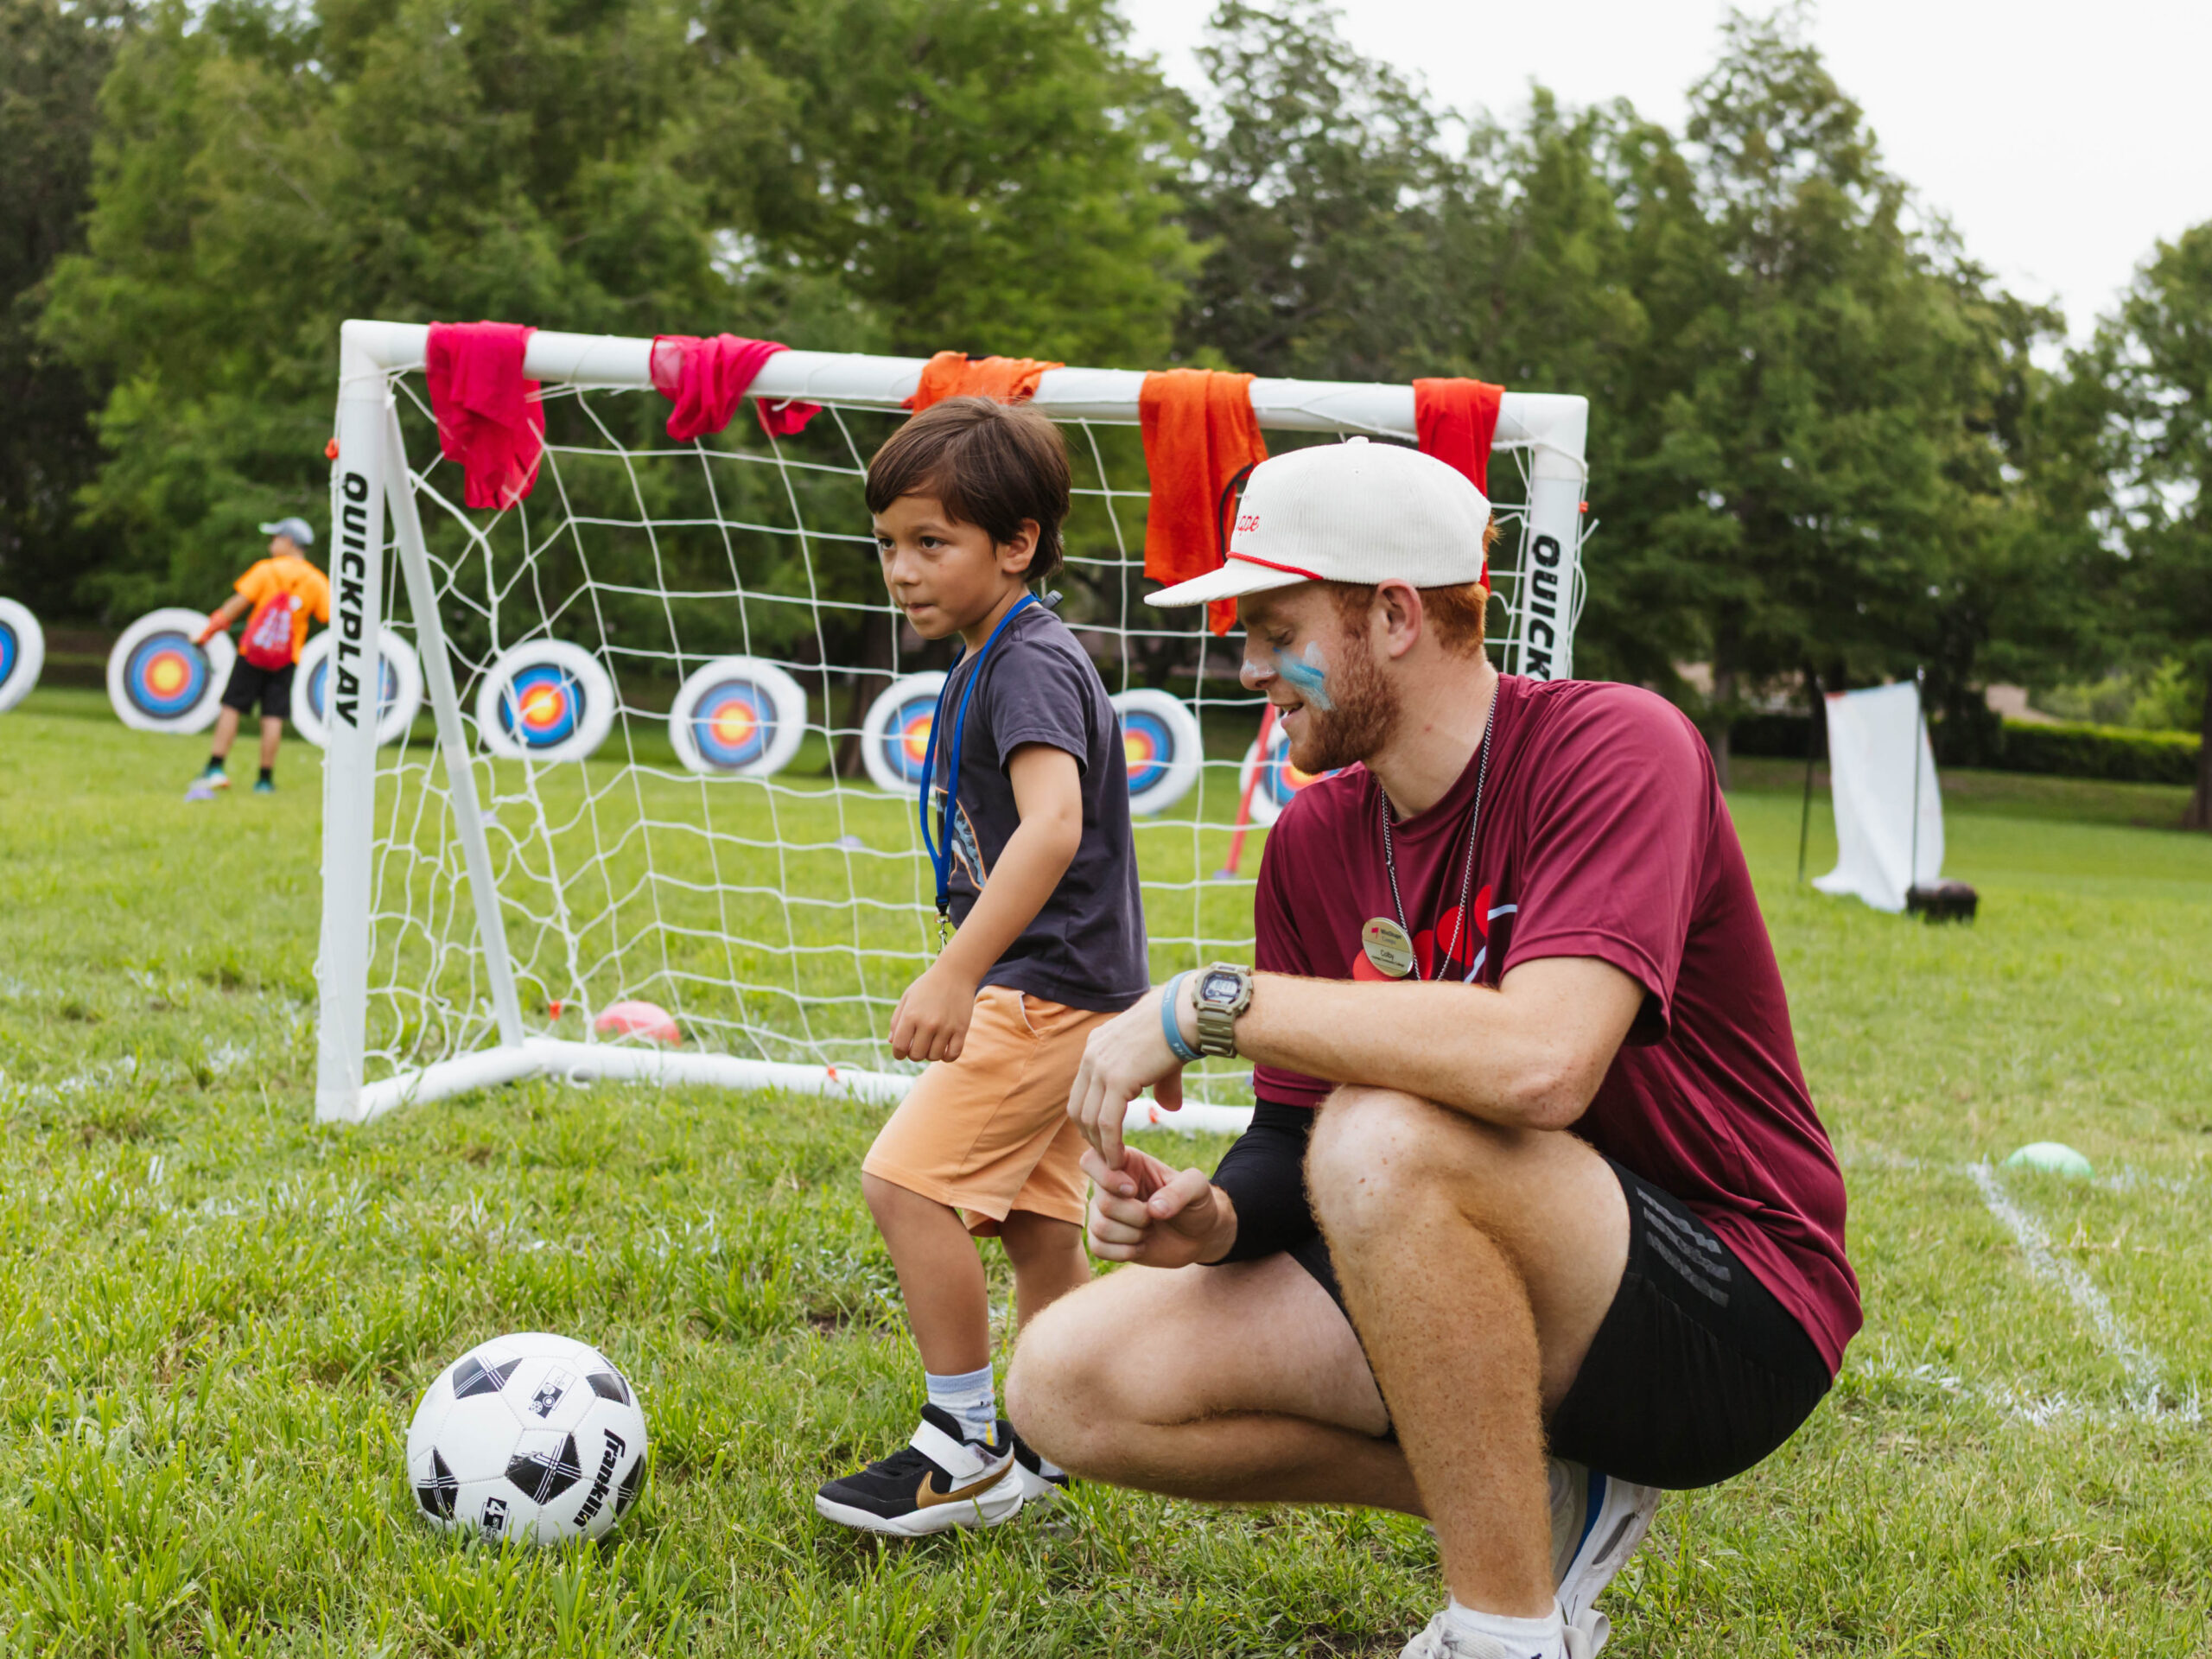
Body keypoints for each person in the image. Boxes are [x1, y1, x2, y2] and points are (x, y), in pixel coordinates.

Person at [1006, 440, 1859, 1659]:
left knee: (1388, 1130)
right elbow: (1297, 1133)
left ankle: (1505, 1632)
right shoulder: (1315, 842)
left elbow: (1540, 1064)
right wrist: (1217, 1224)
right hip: (1465, 1262)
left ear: (1395, 615)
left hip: (1731, 1305)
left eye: (1275, 625)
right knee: (1062, 1381)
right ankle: (1547, 1502)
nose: (1252, 668)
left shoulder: (1621, 745)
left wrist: (1210, 1001)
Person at [812, 397, 1150, 1537]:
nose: (901, 570)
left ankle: (962, 1442)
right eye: (888, 544)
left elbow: (1051, 827)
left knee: (906, 1186)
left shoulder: (1028, 664)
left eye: (930, 543)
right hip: (1074, 989)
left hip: (1041, 989)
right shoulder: (996, 651)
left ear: (1015, 545)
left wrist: (957, 973)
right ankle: (1061, 1432)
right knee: (1044, 1229)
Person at [189, 518, 332, 797]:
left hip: (252, 654)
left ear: (289, 542)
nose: (271, 543)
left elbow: (235, 606)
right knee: (273, 716)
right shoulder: (316, 580)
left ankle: (215, 767)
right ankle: (264, 780)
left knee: (232, 707)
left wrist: (208, 632)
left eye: (276, 538)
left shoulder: (265, 571)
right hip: (287, 658)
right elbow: (328, 615)